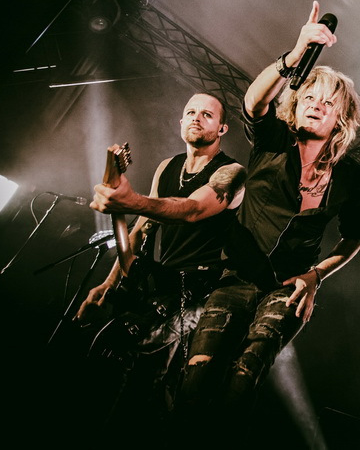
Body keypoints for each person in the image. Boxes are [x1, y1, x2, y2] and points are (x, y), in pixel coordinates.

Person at [174, 1, 360, 435]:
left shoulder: (351, 173)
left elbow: (353, 238)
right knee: (197, 380)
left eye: (328, 102)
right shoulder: (274, 140)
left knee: (244, 380)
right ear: (295, 106)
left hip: (289, 286)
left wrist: (316, 276)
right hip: (237, 277)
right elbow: (254, 101)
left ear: (341, 118)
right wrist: (295, 55)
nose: (317, 106)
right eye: (309, 98)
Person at [73, 91, 246, 430]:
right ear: (180, 121)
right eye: (191, 112)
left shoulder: (231, 172)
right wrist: (110, 282)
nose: (197, 118)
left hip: (199, 289)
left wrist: (130, 201)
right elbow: (141, 229)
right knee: (143, 375)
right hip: (161, 283)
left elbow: (193, 209)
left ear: (222, 129)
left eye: (207, 114)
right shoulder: (168, 167)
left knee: (131, 352)